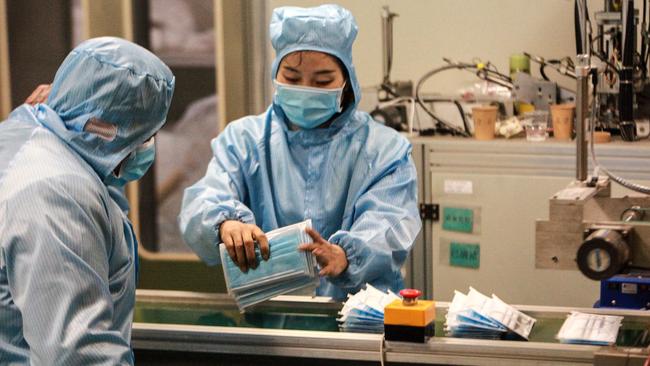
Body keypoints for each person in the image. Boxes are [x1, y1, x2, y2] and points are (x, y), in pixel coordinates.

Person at [179, 4, 420, 300]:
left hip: (359, 324)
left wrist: (346, 255)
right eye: (292, 78)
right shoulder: (244, 141)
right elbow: (202, 202)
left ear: (346, 82)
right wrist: (225, 224)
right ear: (275, 74)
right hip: (269, 325)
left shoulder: (383, 150)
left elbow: (390, 223)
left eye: (322, 81)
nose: (306, 89)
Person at [0, 37, 175, 364]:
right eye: (145, 135)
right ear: (111, 129)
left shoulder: (26, 138)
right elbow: (77, 353)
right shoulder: (57, 191)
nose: (148, 147)